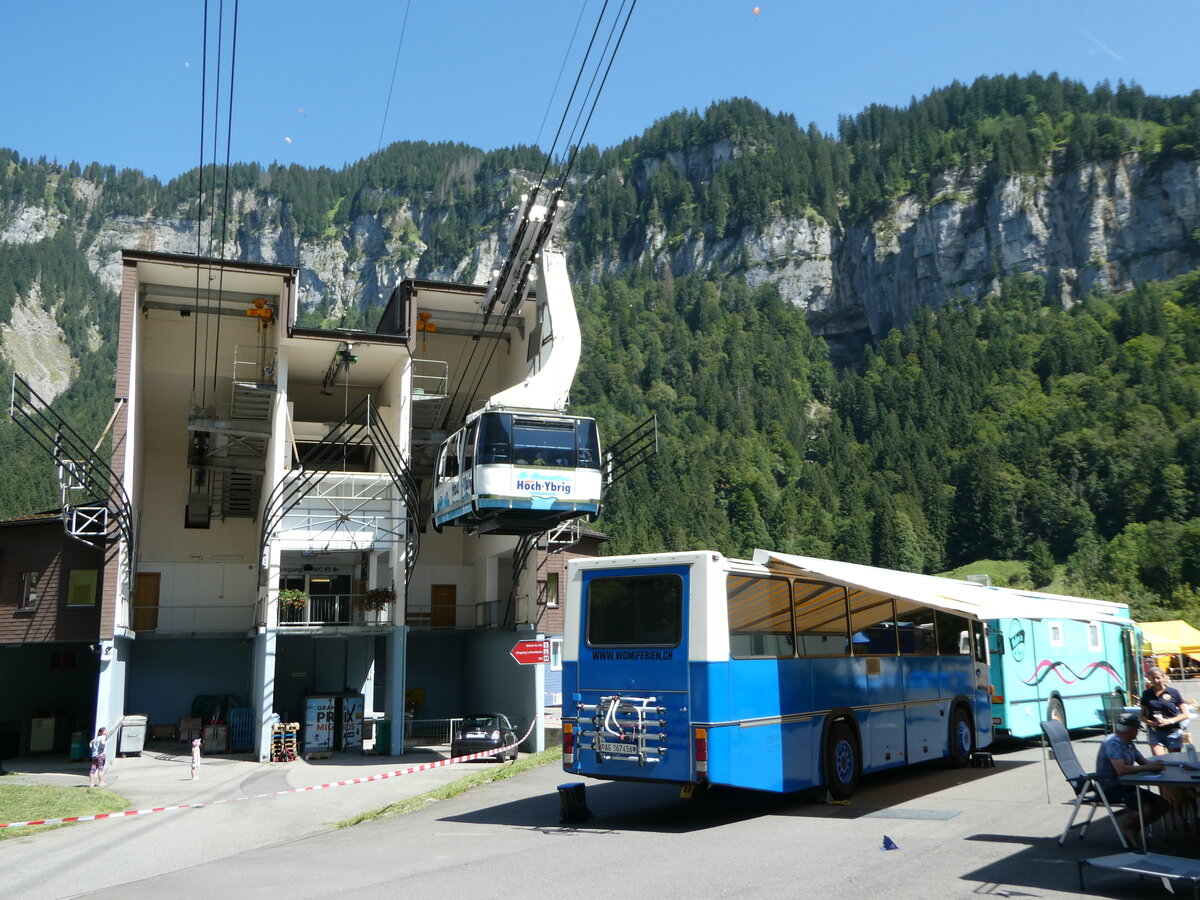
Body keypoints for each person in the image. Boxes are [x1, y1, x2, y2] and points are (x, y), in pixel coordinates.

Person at [1095, 712, 1169, 850]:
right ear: (1132, 730)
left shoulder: (1128, 744)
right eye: (1136, 731)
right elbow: (1121, 769)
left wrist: (1157, 766)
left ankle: (1133, 828)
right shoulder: (1113, 742)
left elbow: (1142, 761)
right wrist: (1148, 767)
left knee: (1162, 804)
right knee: (1146, 808)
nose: (1136, 734)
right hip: (1111, 786)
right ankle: (1128, 827)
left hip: (1127, 785)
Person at [1140, 666, 1190, 756]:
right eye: (1153, 678)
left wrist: (1169, 721)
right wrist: (1151, 723)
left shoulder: (1173, 692)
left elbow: (1185, 714)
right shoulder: (1146, 694)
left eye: (1158, 678)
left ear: (1164, 678)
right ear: (1149, 679)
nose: (1155, 680)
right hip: (1155, 732)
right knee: (1160, 762)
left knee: (1175, 761)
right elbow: (1142, 716)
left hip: (1173, 731)